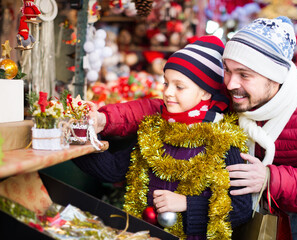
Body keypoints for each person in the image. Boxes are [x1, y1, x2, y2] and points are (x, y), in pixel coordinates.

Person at [74, 36, 252, 239]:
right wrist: (78, 134)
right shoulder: (156, 130)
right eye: (166, 83)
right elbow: (115, 169)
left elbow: (240, 209)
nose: (167, 92)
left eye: (179, 86)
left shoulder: (224, 140)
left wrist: (187, 203)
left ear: (205, 93)